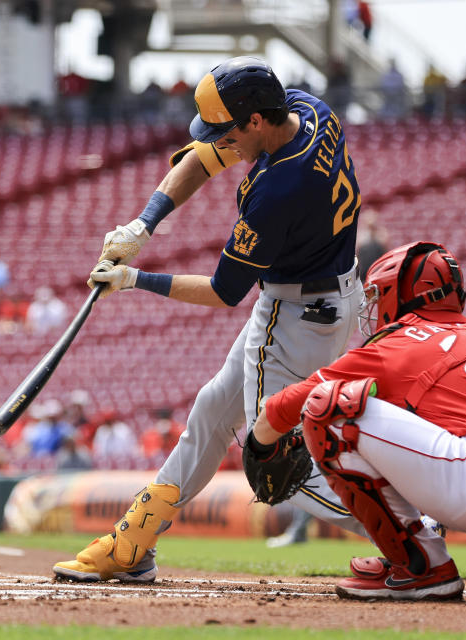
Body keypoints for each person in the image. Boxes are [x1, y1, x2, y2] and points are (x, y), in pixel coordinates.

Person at [53, 56, 367, 583]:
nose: (221, 143)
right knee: (211, 412)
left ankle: (416, 530)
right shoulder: (306, 109)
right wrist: (143, 224)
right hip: (321, 297)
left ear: (254, 121)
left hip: (294, 315)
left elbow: (225, 292)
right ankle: (135, 542)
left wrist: (135, 281)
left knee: (278, 467)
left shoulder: (277, 189)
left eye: (228, 132)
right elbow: (201, 159)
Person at [253, 241, 466, 601]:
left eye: (379, 295)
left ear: (401, 294)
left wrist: (259, 447)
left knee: (328, 407)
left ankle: (420, 565)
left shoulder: (398, 341)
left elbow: (288, 404)